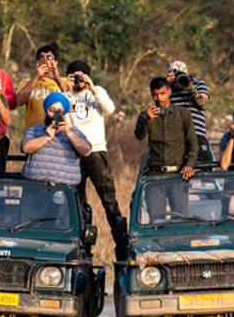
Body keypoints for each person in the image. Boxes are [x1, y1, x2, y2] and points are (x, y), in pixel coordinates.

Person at [63, 59, 128, 260]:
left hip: (97, 151)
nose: (79, 80)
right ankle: (81, 247)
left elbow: (110, 109)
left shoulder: (96, 91)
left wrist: (93, 88)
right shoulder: (66, 96)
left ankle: (122, 244)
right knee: (77, 202)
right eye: (75, 76)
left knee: (109, 199)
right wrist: (66, 90)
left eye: (82, 76)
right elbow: (58, 115)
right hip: (73, 154)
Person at [135, 77, 197, 221]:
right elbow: (139, 136)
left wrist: (189, 164)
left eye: (162, 93)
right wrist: (148, 121)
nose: (159, 98)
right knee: (156, 221)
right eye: (155, 94)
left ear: (169, 92)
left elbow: (193, 143)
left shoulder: (183, 114)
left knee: (181, 220)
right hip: (155, 177)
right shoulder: (146, 115)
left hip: (178, 176)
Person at [20, 92, 92, 186]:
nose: (54, 115)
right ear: (46, 111)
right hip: (34, 186)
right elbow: (25, 148)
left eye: (59, 111)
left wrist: (69, 133)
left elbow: (86, 151)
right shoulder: (35, 129)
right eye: (52, 110)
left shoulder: (75, 133)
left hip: (64, 190)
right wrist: (47, 137)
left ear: (64, 113)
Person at [167, 60, 211, 162]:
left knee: (203, 166)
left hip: (197, 133)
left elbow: (204, 104)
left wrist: (191, 88)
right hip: (176, 136)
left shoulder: (198, 83)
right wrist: (167, 83)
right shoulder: (168, 89)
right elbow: (159, 102)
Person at [16, 44, 67, 131]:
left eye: (50, 58)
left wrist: (57, 78)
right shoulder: (27, 82)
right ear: (37, 62)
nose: (47, 62)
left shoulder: (64, 81)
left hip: (59, 132)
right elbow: (19, 101)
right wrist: (36, 76)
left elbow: (74, 101)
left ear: (56, 62)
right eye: (42, 58)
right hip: (34, 133)